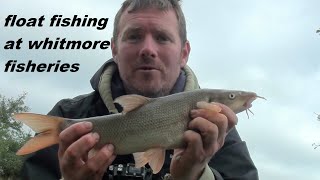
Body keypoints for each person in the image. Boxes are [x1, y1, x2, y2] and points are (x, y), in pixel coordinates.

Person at [21, 0, 258, 179]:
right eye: (134, 36)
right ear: (114, 48)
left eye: (162, 38)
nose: (147, 49)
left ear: (184, 53)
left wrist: (196, 176)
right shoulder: (68, 116)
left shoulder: (218, 135)